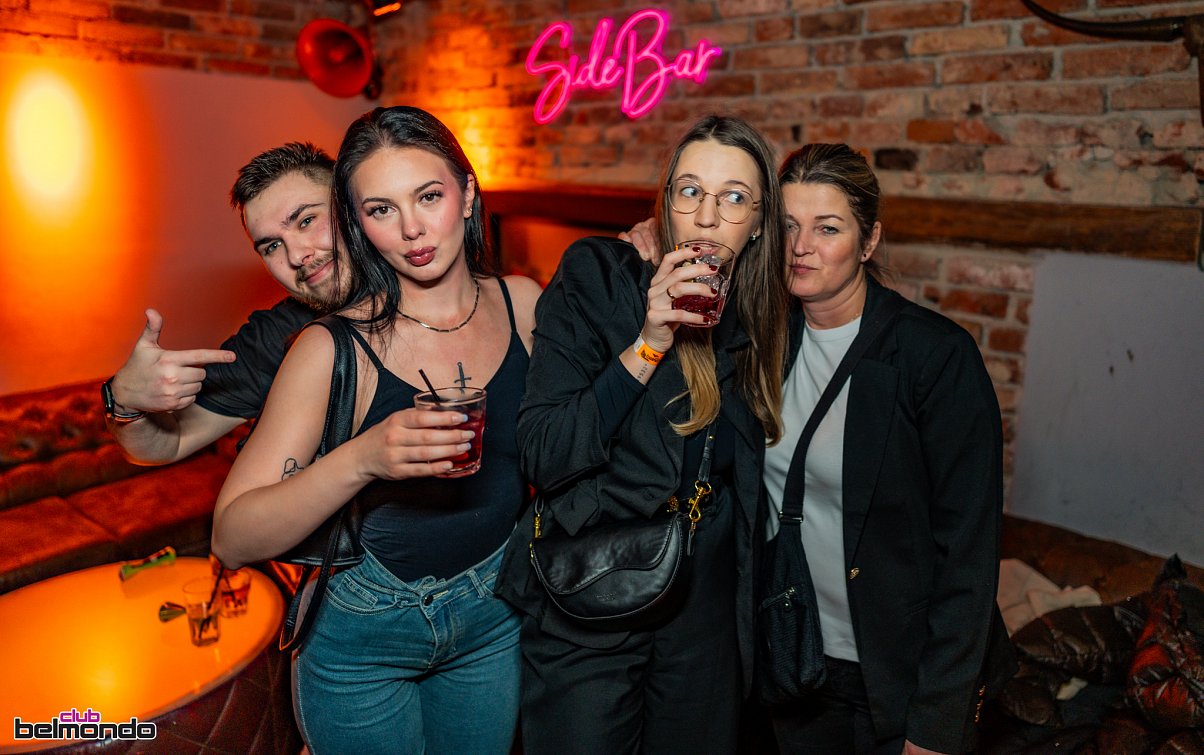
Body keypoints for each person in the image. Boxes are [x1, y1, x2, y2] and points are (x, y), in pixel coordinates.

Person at [211, 106, 541, 754]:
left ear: (467, 193)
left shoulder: (522, 302)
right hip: (366, 635)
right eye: (382, 209)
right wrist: (363, 458)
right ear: (358, 223)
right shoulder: (330, 348)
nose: (412, 228)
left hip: (494, 609)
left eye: (429, 196)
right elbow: (232, 537)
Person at [495, 114, 790, 754]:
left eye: (733, 197)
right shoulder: (599, 276)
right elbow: (544, 452)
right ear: (667, 203)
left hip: (705, 604)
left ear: (759, 222)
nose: (706, 216)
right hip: (594, 581)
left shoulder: (763, 311)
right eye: (690, 191)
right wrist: (650, 343)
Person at [762, 143, 1014, 754]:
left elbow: (969, 554)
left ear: (868, 242)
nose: (801, 247)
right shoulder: (760, 341)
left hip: (895, 676)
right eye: (788, 226)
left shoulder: (934, 357)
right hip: (788, 657)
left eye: (828, 228)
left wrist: (937, 724)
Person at [104, 142, 344, 465]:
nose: (296, 255)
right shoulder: (277, 339)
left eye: (306, 221)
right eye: (272, 246)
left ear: (349, 203)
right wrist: (125, 402)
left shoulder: (415, 285)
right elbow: (168, 444)